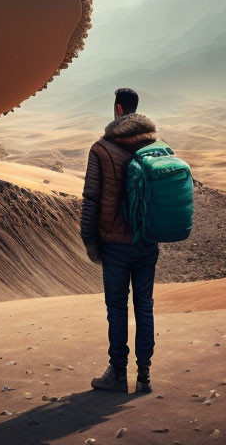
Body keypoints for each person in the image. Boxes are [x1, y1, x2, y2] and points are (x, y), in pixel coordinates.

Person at [81, 87, 159, 394]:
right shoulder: (154, 145)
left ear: (117, 109)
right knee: (145, 306)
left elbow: (91, 199)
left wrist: (90, 240)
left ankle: (117, 374)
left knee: (117, 308)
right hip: (146, 243)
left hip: (114, 245)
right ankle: (145, 376)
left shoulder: (101, 149)